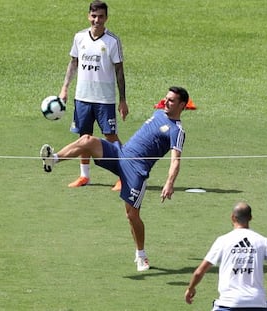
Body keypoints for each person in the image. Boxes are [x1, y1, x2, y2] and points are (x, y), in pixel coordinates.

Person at [40, 86, 189, 271]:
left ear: (182, 105)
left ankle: (141, 255)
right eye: (166, 98)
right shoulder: (159, 112)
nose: (166, 102)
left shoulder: (177, 131)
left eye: (172, 100)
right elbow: (164, 104)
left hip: (136, 171)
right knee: (87, 140)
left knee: (132, 215)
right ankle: (53, 160)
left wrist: (169, 183)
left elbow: (176, 160)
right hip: (120, 153)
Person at [59, 0, 129, 189]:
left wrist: (123, 100)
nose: (97, 20)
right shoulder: (79, 37)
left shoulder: (112, 41)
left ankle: (125, 174)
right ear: (88, 16)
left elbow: (119, 71)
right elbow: (73, 63)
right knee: (84, 137)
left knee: (111, 136)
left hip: (104, 99)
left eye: (101, 16)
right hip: (82, 97)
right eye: (94, 16)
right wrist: (64, 88)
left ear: (106, 18)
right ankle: (84, 176)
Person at [185, 201, 267, 310]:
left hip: (229, 303)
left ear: (233, 217)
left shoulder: (223, 241)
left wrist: (190, 288)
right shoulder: (262, 241)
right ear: (250, 218)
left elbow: (199, 272)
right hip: (258, 303)